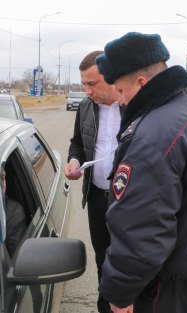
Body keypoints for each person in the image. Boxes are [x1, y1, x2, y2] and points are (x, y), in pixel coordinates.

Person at [95, 32, 187, 313]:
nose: (121, 102)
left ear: (141, 82)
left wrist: (120, 293)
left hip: (169, 283)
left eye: (122, 92)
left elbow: (141, 229)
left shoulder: (151, 136)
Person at [64, 50, 121, 313]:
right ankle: (105, 306)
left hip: (128, 200)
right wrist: (75, 162)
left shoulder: (135, 106)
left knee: (129, 260)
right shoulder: (87, 106)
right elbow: (77, 143)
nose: (87, 91)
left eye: (91, 84)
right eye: (84, 84)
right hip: (97, 197)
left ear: (110, 77)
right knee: (103, 258)